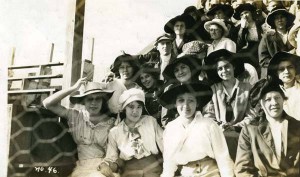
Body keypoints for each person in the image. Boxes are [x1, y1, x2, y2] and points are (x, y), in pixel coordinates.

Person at [42, 78, 117, 177]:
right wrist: (73, 88)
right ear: (83, 101)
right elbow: (48, 104)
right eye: (90, 99)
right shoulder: (76, 116)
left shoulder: (110, 122)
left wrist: (107, 165)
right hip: (82, 168)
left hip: (103, 167)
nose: (94, 103)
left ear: (102, 101)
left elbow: (113, 155)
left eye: (98, 99)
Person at [159, 83, 234, 177]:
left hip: (210, 172)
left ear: (197, 103)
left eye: (190, 100)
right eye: (181, 100)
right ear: (175, 104)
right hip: (186, 173)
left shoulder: (209, 124)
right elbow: (169, 162)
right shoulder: (171, 128)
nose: (186, 105)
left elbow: (223, 157)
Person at [235, 76, 300, 177]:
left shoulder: (297, 126)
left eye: (277, 98)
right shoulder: (250, 130)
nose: (274, 103)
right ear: (261, 103)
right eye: (268, 99)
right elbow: (243, 169)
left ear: (283, 99)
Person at [203, 49, 256, 160]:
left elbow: (251, 115)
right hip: (219, 133)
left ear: (234, 67)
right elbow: (208, 115)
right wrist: (220, 125)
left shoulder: (247, 88)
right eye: (220, 69)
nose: (224, 71)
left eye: (227, 66)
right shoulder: (213, 90)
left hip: (242, 133)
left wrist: (235, 127)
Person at [99, 88, 163, 177]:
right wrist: (105, 165)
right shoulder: (115, 132)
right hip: (130, 171)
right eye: (131, 106)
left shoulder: (150, 122)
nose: (135, 111)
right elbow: (111, 156)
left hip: (153, 169)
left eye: (139, 107)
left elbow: (164, 145)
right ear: (124, 108)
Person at [161, 55, 202, 126]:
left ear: (191, 68)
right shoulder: (170, 89)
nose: (180, 72)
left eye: (183, 67)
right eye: (176, 70)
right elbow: (165, 119)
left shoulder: (202, 87)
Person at [258, 7, 296, 78]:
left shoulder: (295, 35)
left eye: (282, 17)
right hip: (274, 73)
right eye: (276, 18)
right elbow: (263, 60)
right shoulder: (267, 37)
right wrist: (278, 65)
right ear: (273, 21)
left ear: (287, 19)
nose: (280, 20)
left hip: (293, 71)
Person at [267, 51, 300, 121]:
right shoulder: (273, 92)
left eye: (290, 67)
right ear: (276, 73)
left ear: (295, 70)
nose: (287, 72)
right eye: (282, 69)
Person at [233, 3, 264, 72]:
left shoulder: (260, 23)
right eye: (242, 14)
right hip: (249, 52)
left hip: (261, 48)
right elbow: (240, 44)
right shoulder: (238, 28)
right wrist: (243, 28)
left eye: (246, 12)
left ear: (251, 13)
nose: (244, 16)